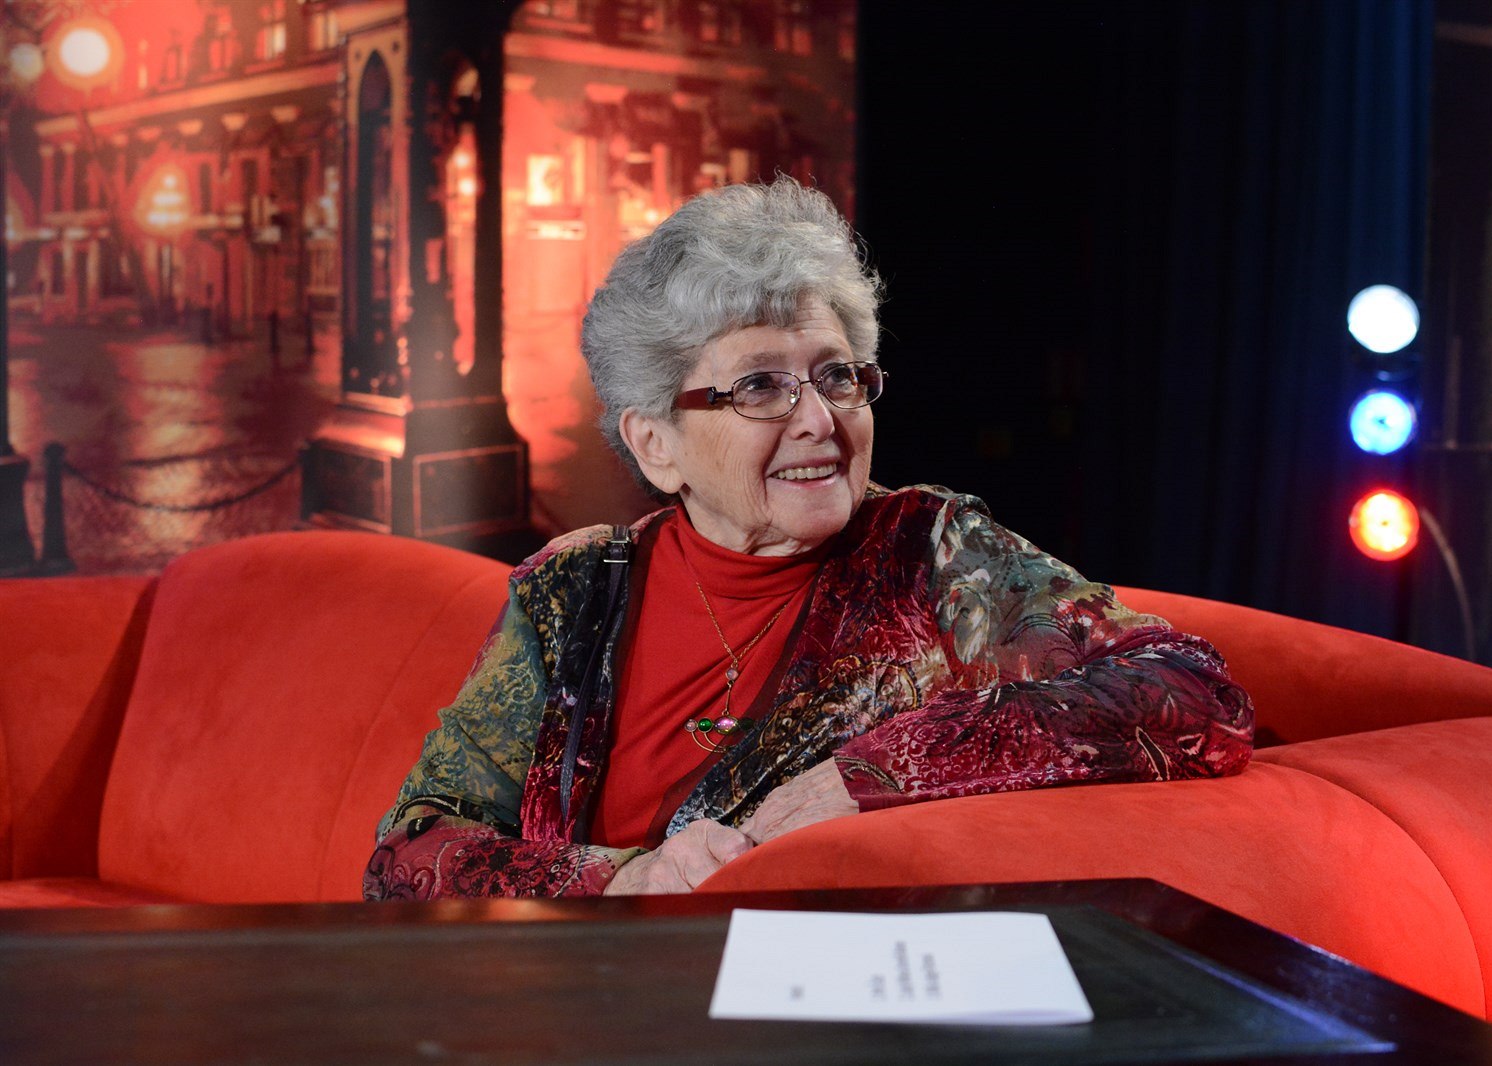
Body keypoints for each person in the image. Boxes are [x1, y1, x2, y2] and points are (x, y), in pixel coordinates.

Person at [363, 178, 1254, 900]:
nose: (819, 420)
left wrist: (872, 774)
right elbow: (408, 854)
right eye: (759, 387)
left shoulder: (929, 552)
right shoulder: (572, 589)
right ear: (656, 443)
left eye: (837, 376)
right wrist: (623, 882)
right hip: (585, 1003)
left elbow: (1188, 691)